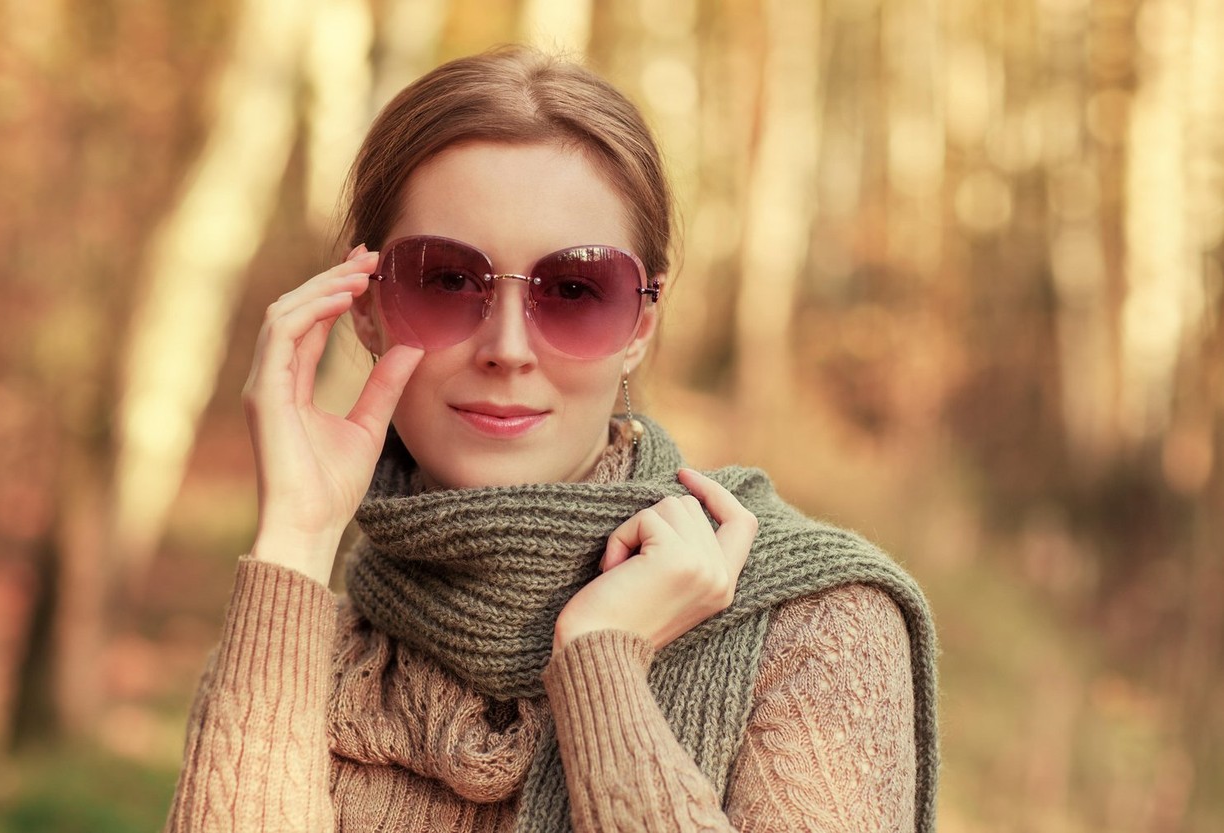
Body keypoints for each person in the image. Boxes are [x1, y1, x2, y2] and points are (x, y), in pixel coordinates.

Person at [165, 46, 938, 832]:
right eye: (445, 280)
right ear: (365, 306)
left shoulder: (820, 626)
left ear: (640, 325)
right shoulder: (293, 642)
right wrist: (295, 538)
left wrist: (601, 662)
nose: (507, 347)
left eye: (574, 290)